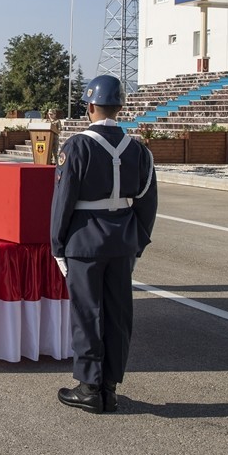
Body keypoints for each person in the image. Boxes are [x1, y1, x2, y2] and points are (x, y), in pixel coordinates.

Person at [50, 74, 158, 414]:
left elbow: (63, 201)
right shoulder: (138, 149)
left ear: (90, 106)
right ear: (120, 107)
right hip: (122, 242)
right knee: (118, 314)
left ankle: (89, 388)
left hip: (84, 242)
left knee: (88, 314)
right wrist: (136, 241)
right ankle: (110, 387)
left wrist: (57, 244)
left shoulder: (77, 146)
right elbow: (147, 202)